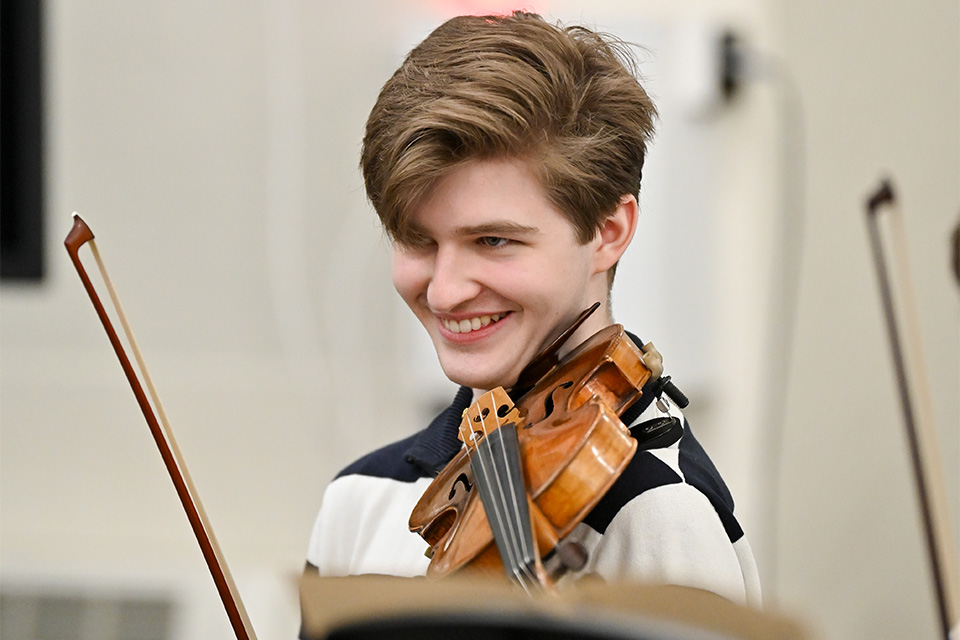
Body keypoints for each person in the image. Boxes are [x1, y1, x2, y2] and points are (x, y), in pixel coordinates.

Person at [304, 10, 761, 608]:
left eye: (492, 241)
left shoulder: (657, 513)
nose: (444, 292)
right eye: (418, 241)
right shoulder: (361, 496)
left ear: (608, 230)